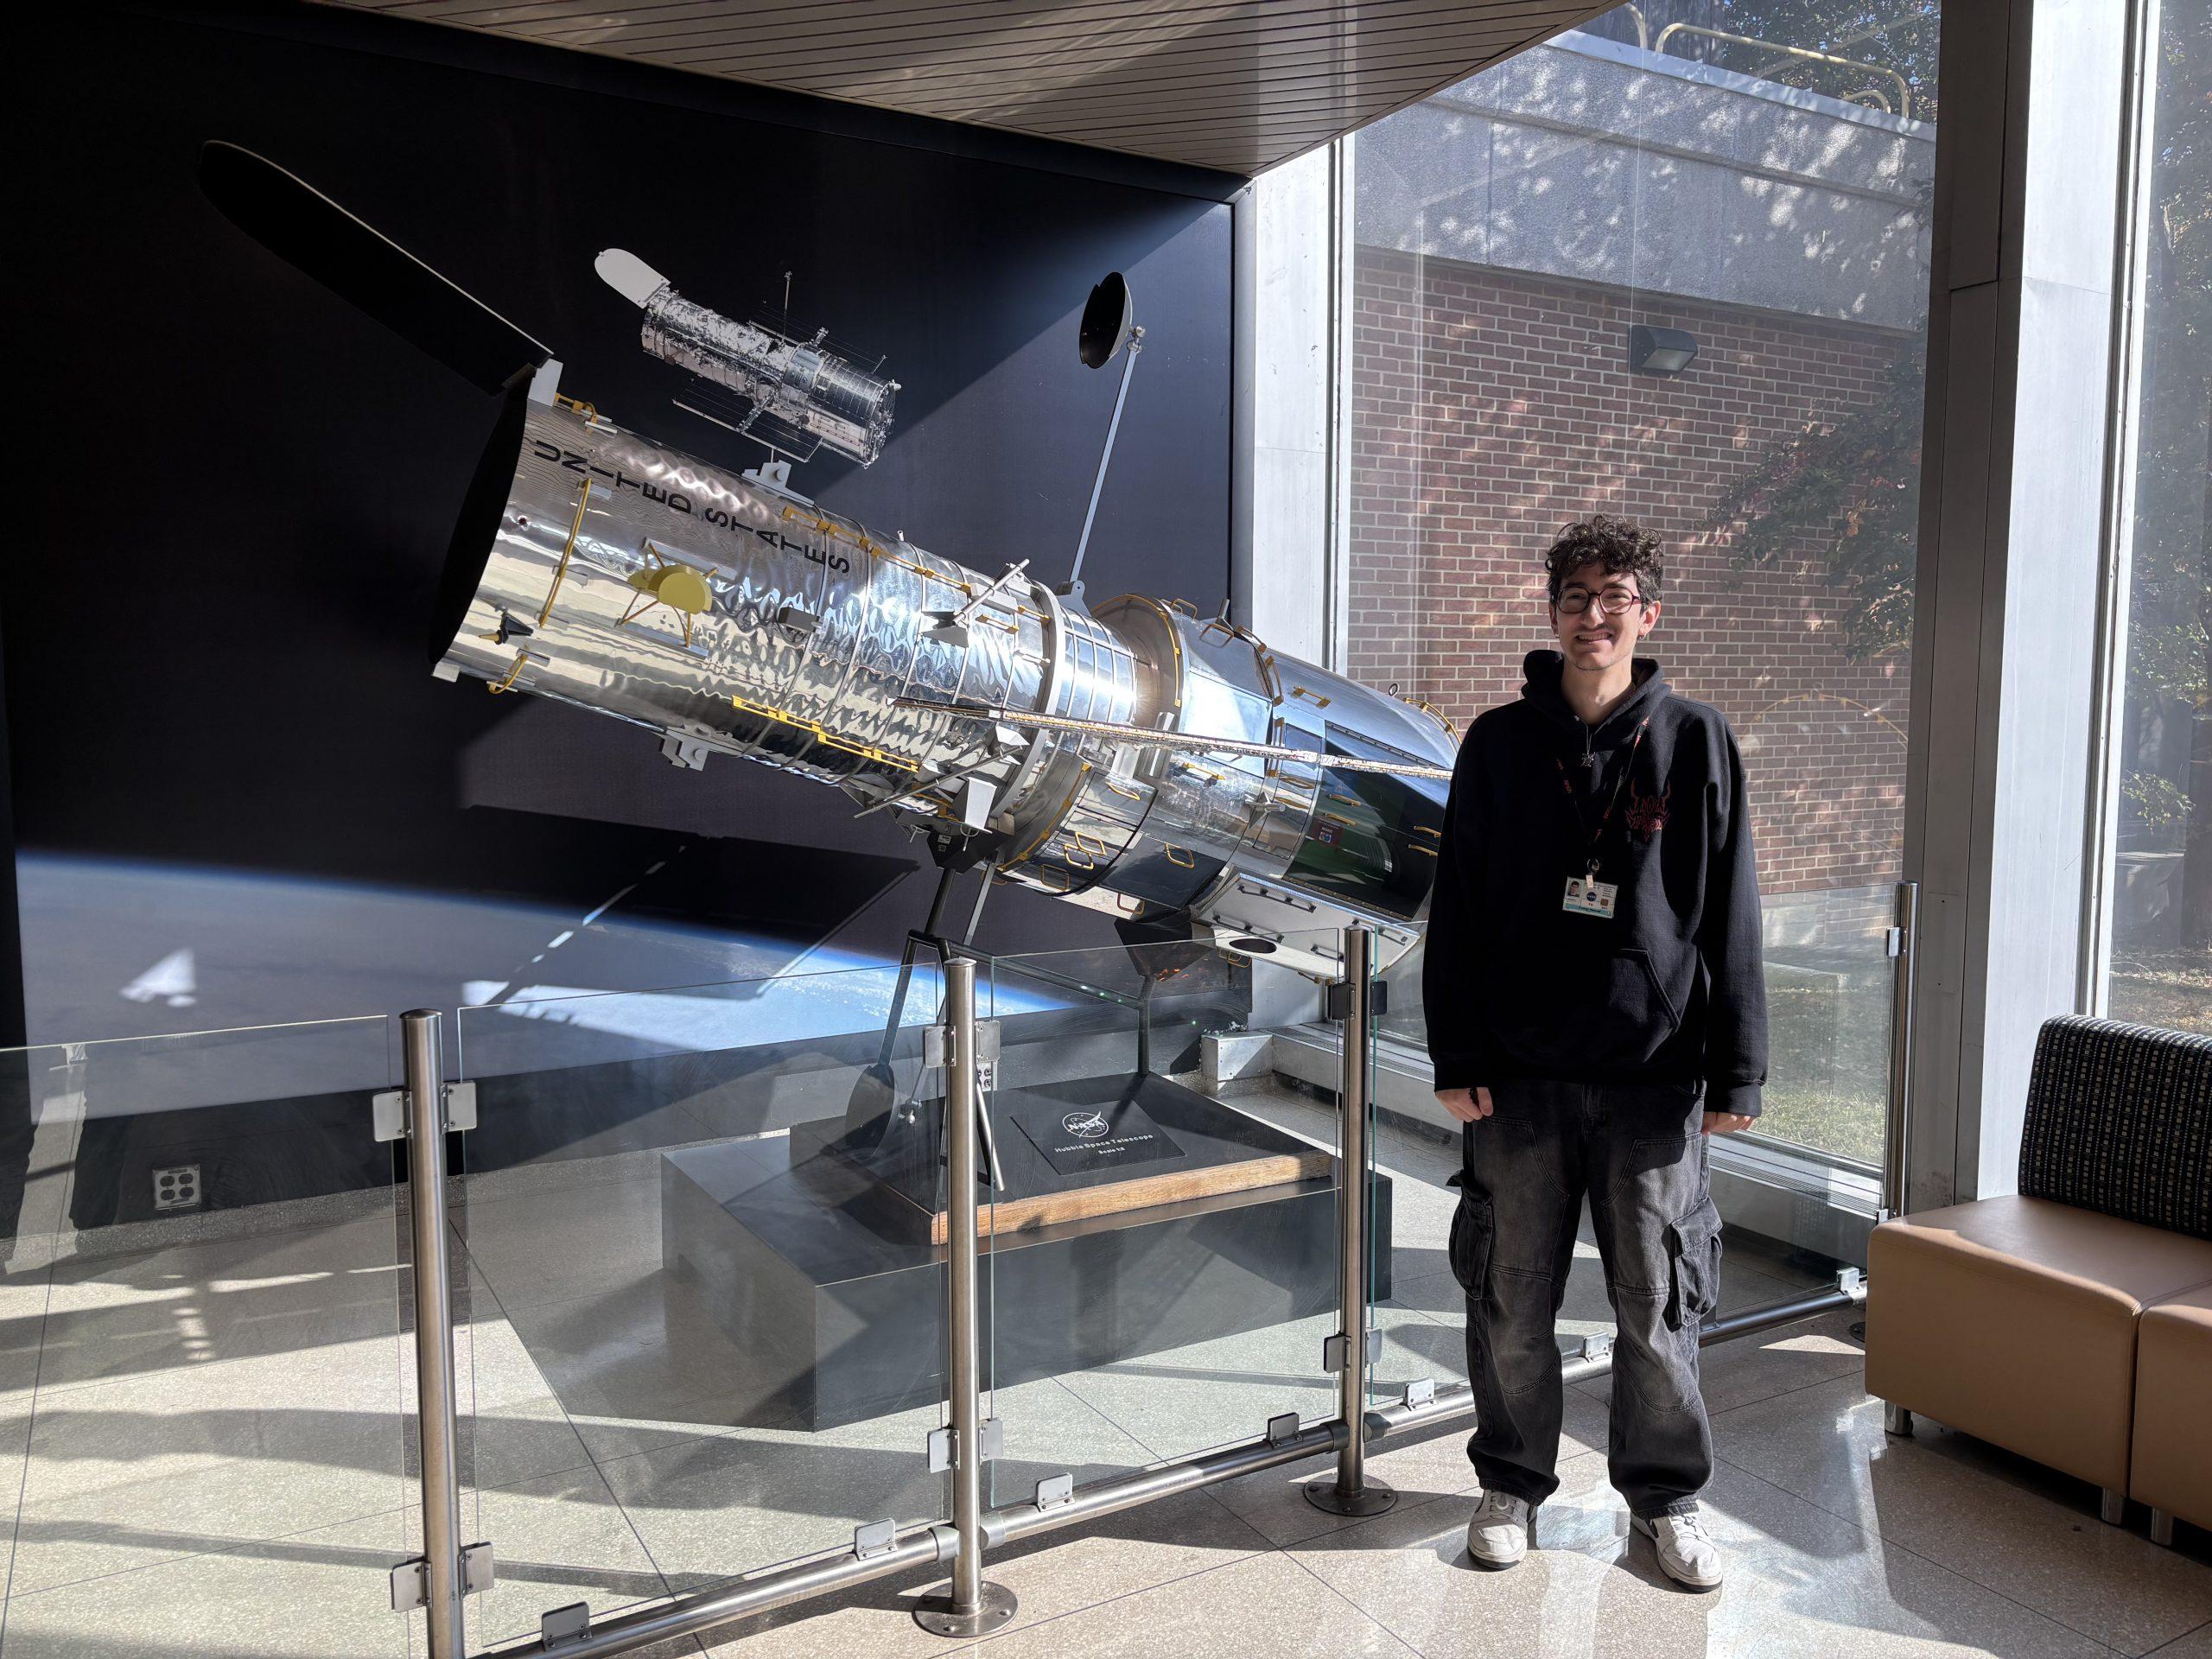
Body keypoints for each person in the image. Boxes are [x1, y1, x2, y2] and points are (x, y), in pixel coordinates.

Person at [1422, 515, 1767, 1591]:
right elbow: (1460, 912)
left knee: (1656, 1303)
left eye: (1615, 595)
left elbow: (1732, 913)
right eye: (1575, 595)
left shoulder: (1696, 739)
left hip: (1652, 1078)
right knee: (1510, 1294)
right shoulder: (1495, 743)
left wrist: (1739, 1067)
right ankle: (1510, 1484)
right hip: (1518, 1074)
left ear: (1647, 614)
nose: (1594, 614)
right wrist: (1455, 1052)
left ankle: (1663, 1501)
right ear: (1554, 613)